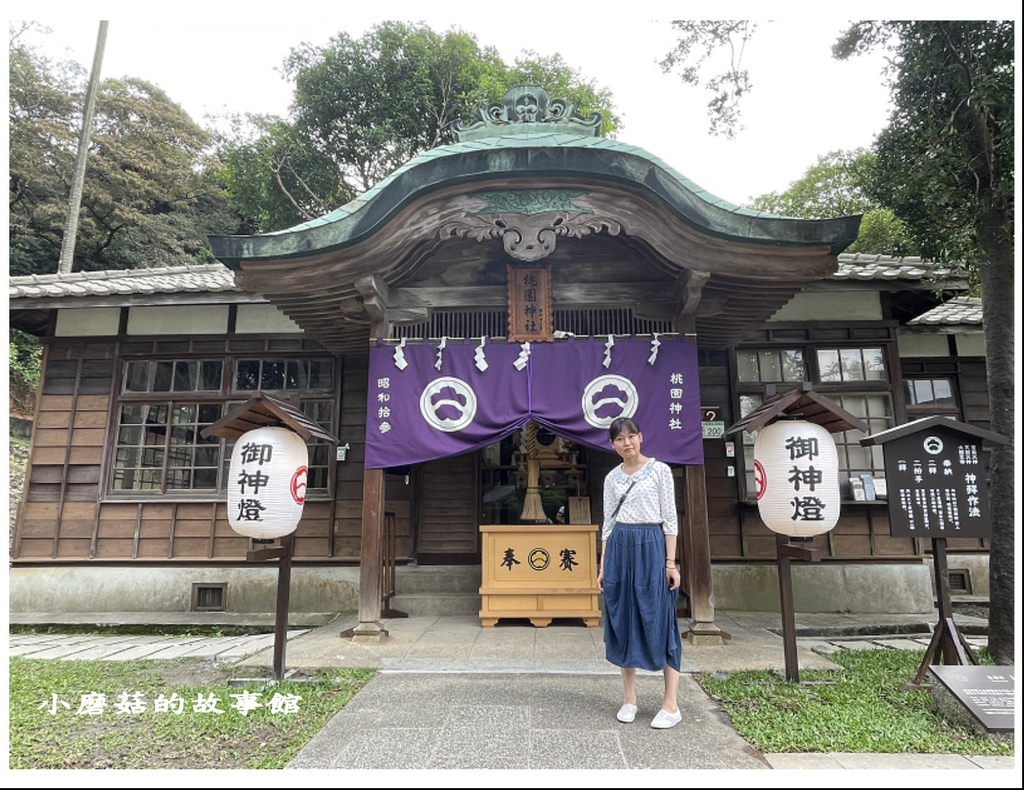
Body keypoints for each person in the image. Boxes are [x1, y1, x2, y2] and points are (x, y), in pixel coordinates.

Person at [597, 416, 683, 729]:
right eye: (619, 439)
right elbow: (608, 523)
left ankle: (670, 704)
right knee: (623, 619)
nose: (626, 443)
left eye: (631, 436)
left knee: (661, 619)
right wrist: (603, 566)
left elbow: (670, 520)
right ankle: (629, 699)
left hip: (651, 546)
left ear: (641, 437)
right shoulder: (611, 478)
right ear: (612, 445)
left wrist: (670, 564)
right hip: (620, 547)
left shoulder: (660, 471)